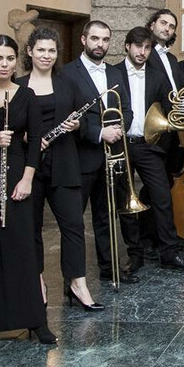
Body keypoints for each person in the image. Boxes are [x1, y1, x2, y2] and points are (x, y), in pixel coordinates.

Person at [0, 35, 55, 343]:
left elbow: (34, 144)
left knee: (22, 249)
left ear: (18, 61)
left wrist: (27, 179)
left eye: (9, 59)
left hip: (17, 173)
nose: (4, 64)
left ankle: (35, 320)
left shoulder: (26, 96)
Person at [19, 27, 105, 312]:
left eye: (51, 50)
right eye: (41, 50)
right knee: (31, 228)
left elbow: (87, 118)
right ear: (30, 52)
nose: (46, 55)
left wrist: (77, 124)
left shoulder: (68, 83)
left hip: (65, 163)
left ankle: (77, 284)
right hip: (29, 166)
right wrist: (27, 138)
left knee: (73, 226)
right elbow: (7, 123)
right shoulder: (18, 85)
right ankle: (37, 283)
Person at [111, 26, 184, 272]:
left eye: (147, 47)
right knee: (126, 202)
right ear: (127, 46)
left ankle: (169, 253)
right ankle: (135, 254)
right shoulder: (113, 74)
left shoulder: (157, 77)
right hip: (120, 145)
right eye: (138, 46)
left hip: (148, 146)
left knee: (162, 197)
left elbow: (171, 109)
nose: (142, 52)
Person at [62, 20, 135, 285]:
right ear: (83, 40)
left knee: (105, 217)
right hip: (82, 157)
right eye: (95, 39)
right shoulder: (68, 73)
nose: (100, 45)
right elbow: (67, 116)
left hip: (111, 155)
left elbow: (126, 108)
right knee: (74, 222)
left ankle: (109, 269)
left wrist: (119, 128)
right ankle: (75, 278)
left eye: (105, 40)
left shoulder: (115, 73)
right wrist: (97, 133)